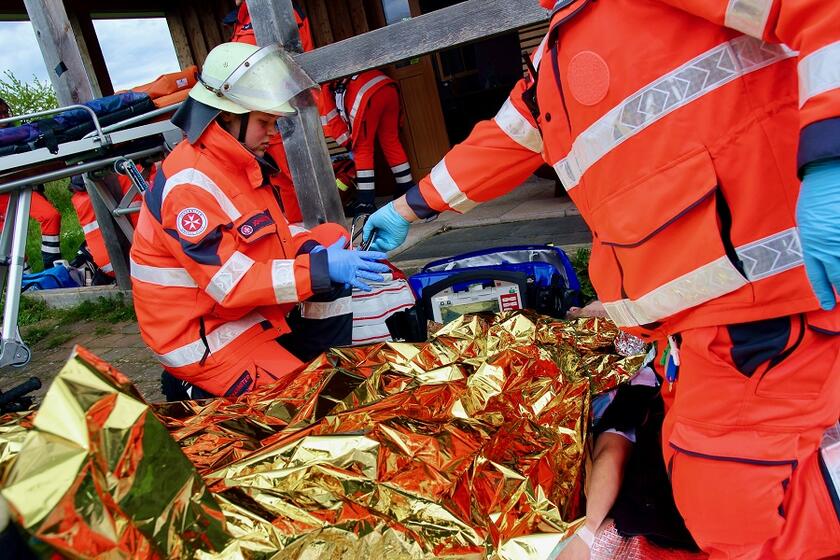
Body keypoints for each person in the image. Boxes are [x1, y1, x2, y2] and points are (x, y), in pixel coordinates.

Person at [363, 2, 840, 558]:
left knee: (738, 516)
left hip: (772, 304)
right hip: (703, 326)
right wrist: (407, 209)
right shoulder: (553, 59)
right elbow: (502, 143)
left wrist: (830, 153)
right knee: (690, 482)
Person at [130, 42, 389, 398]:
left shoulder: (236, 164)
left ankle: (312, 358)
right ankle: (193, 387)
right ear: (226, 117)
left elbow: (275, 238)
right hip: (205, 336)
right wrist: (319, 268)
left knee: (328, 235)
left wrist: (315, 249)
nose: (273, 132)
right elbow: (230, 283)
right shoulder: (188, 186)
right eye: (264, 121)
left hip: (239, 313)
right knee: (307, 407)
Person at [321, 69, 416, 216]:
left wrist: (347, 143)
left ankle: (366, 202)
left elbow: (334, 121)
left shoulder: (326, 88)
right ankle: (407, 189)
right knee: (391, 142)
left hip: (367, 96)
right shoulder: (345, 70)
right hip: (387, 86)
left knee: (362, 149)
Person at [0, 97, 63, 270]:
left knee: (51, 216)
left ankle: (52, 266)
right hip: (3, 192)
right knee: (7, 239)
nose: (5, 118)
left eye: (5, 112)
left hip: (20, 185)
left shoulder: (17, 133)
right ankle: (23, 278)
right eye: (1, 114)